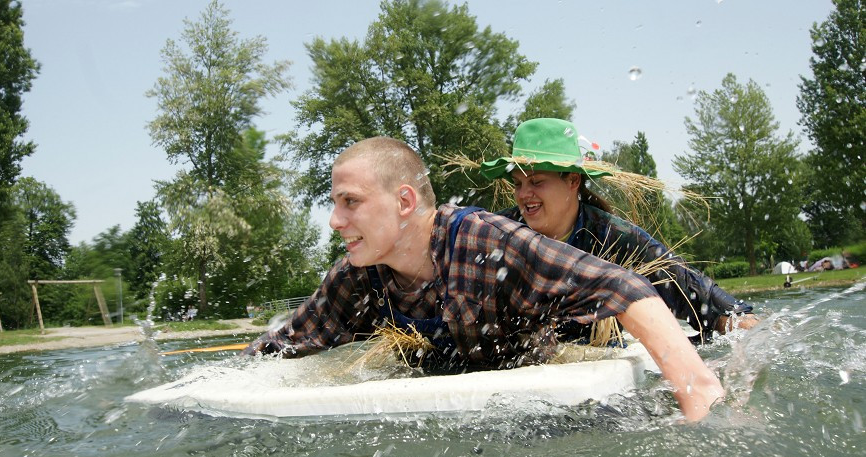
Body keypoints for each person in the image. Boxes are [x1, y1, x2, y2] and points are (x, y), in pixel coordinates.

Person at [243, 136, 725, 421]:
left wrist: (696, 387)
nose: (334, 221)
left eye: (350, 202)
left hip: (548, 410)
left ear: (405, 202)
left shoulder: (485, 242)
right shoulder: (355, 276)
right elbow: (283, 344)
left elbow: (621, 286)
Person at [479, 118, 758, 343]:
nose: (524, 195)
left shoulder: (617, 239)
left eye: (536, 182)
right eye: (517, 184)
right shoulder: (496, 234)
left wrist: (738, 323)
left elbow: (691, 291)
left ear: (573, 181)